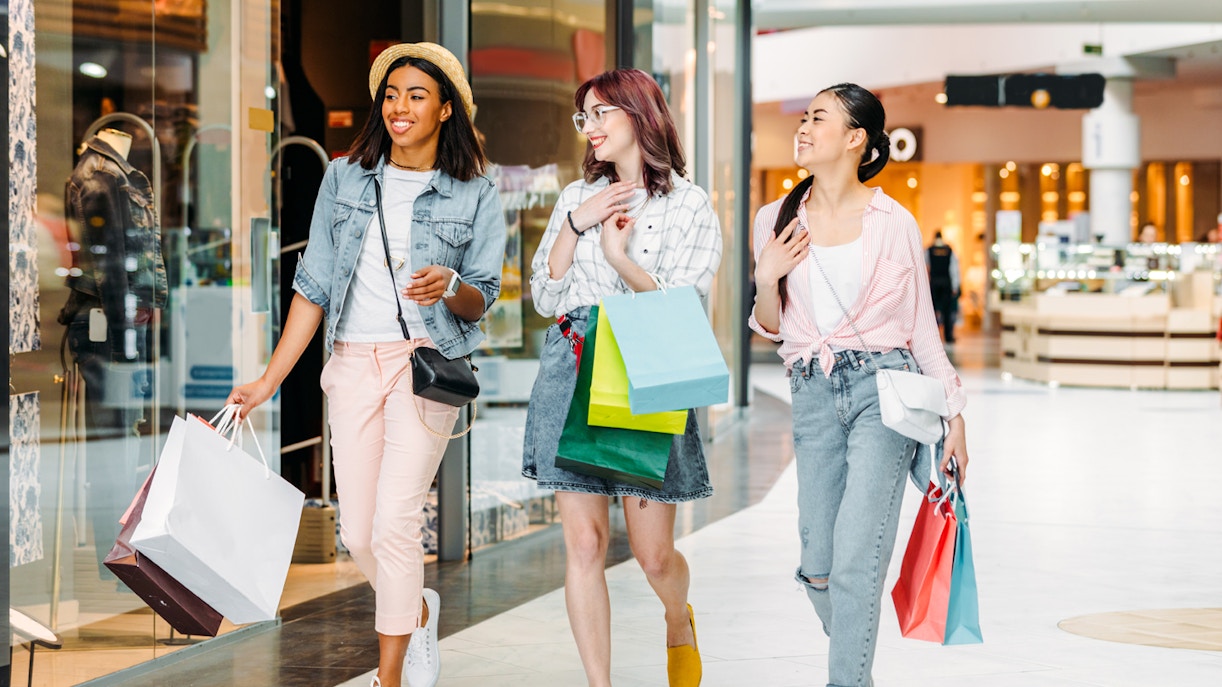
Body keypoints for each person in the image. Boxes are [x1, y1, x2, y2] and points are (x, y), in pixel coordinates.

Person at [226, 43, 506, 687]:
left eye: (416, 96)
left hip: (423, 367)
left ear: (444, 110)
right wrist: (269, 379)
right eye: (391, 95)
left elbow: (482, 296)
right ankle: (416, 614)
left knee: (395, 523)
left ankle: (391, 676)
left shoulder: (476, 191)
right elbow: (314, 285)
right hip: (352, 364)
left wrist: (451, 283)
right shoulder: (343, 177)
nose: (400, 107)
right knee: (357, 533)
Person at [748, 83, 969, 687]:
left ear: (856, 139)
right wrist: (766, 276)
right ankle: (857, 665)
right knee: (818, 564)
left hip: (884, 390)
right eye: (803, 116)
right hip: (812, 392)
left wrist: (956, 418)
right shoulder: (776, 219)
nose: (803, 126)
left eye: (818, 117)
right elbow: (770, 325)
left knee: (853, 562)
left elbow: (922, 327)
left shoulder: (893, 220)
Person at [522, 68, 722, 687]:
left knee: (653, 555)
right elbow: (543, 296)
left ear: (641, 114)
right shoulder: (572, 199)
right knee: (582, 546)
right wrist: (577, 226)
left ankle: (676, 616)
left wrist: (616, 258)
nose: (591, 128)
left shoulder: (689, 204)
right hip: (573, 358)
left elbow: (686, 308)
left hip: (646, 366)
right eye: (584, 116)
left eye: (603, 112)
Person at [925, 230, 960, 343]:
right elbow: (954, 269)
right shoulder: (949, 250)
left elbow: (924, 267)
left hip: (934, 282)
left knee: (931, 311)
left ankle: (931, 337)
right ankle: (948, 336)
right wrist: (955, 285)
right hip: (946, 282)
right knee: (947, 311)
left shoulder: (929, 250)